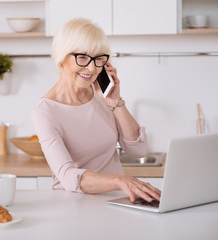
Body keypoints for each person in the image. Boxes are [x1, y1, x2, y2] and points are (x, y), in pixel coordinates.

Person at [31, 18, 161, 203]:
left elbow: (139, 150)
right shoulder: (45, 112)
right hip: (74, 204)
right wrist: (119, 180)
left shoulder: (102, 96)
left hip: (117, 202)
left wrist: (115, 101)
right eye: (82, 57)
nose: (92, 68)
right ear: (61, 57)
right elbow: (67, 176)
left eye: (98, 58)